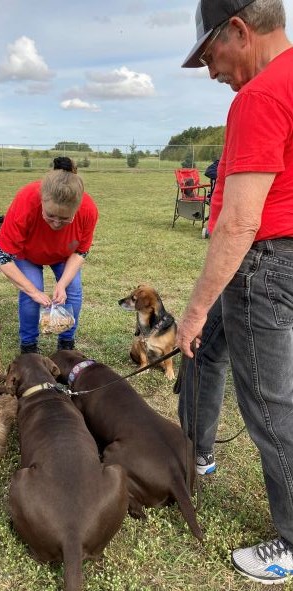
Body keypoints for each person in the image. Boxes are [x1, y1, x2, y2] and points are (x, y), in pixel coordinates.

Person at [179, 0, 293, 584]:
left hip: (262, 270)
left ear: (241, 31)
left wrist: (195, 308)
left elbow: (241, 223)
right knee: (204, 354)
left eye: (209, 54)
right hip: (272, 264)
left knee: (272, 409)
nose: (209, 69)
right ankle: (194, 450)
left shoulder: (261, 95)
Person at [0, 157, 98, 354]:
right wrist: (34, 292)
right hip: (27, 253)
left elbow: (81, 251)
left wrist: (62, 284)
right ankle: (29, 347)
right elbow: (2, 257)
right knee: (32, 293)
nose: (56, 223)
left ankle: (66, 345)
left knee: (73, 290)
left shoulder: (88, 209)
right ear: (42, 200)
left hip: (65, 254)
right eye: (50, 215)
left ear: (77, 208)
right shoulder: (26, 200)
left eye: (65, 218)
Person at [175, 296, 229, 476]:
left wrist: (195, 315)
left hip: (257, 277)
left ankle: (198, 453)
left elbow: (225, 266)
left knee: (203, 351)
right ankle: (201, 453)